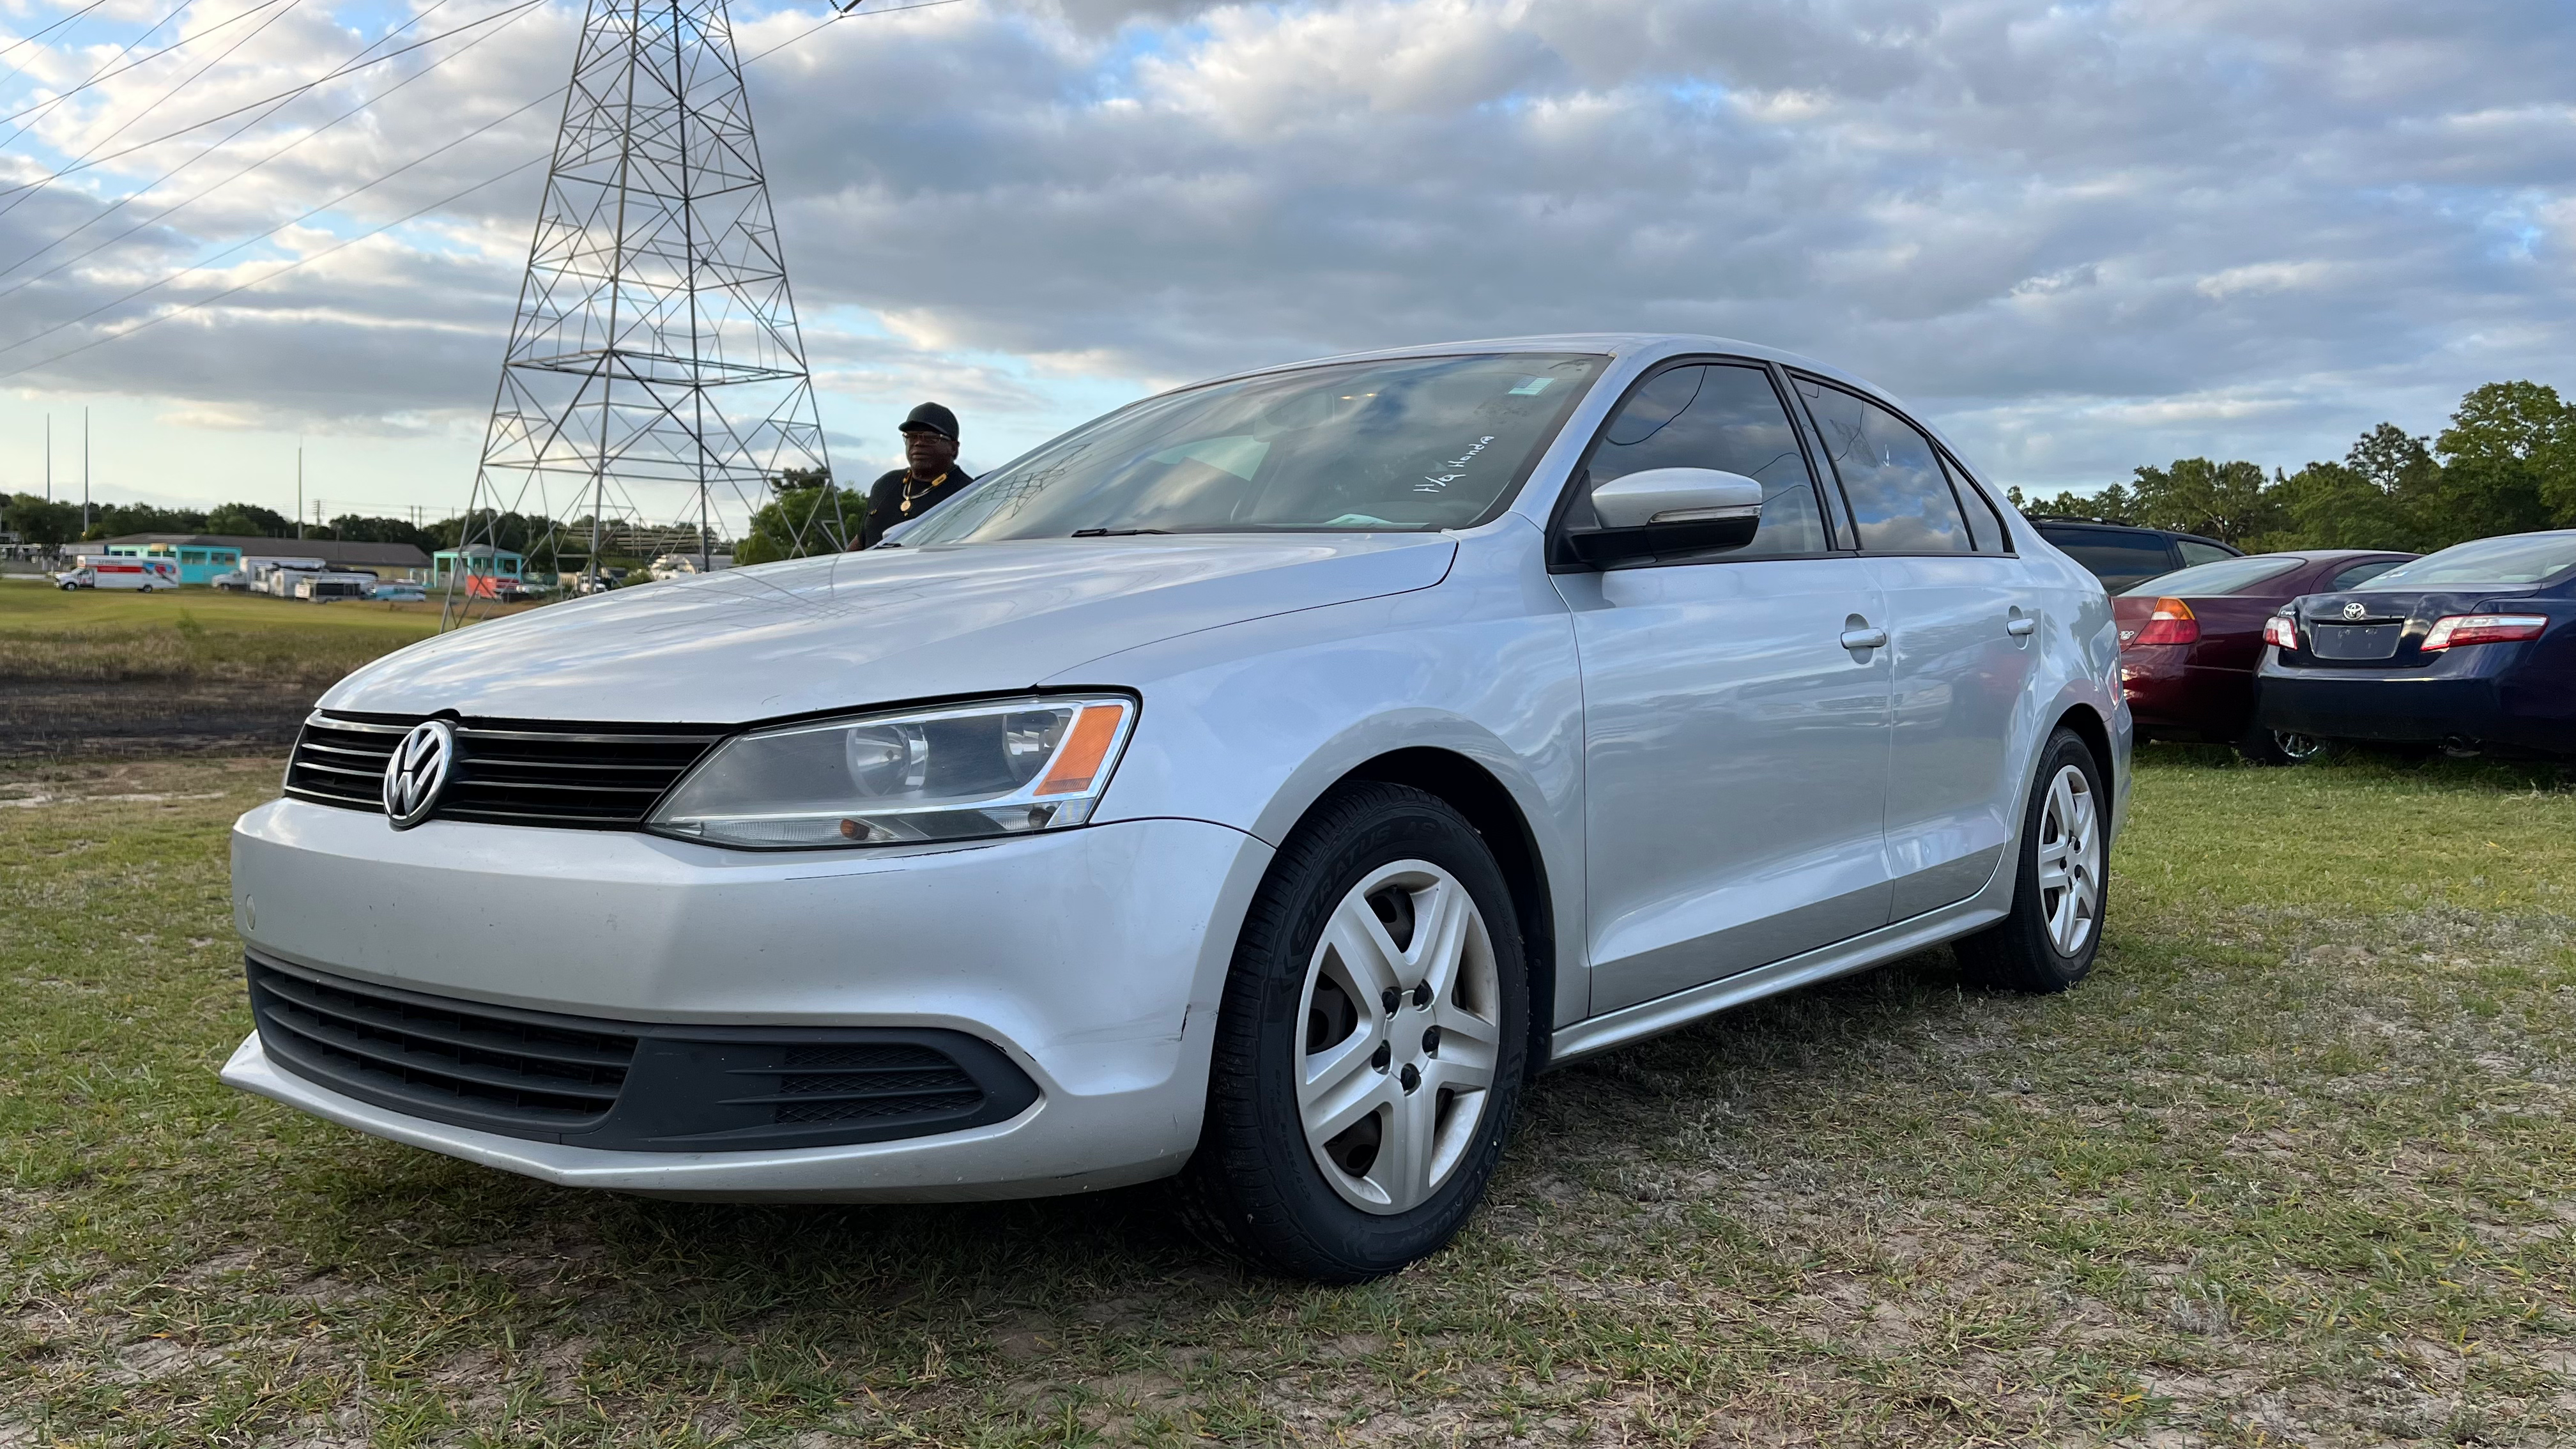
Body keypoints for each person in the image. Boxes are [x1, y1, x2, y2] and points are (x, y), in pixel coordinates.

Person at [857, 402, 973, 548]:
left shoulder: (968, 495)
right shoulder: (886, 484)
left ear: (954, 448)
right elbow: (861, 542)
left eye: (930, 438)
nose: (918, 443)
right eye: (911, 437)